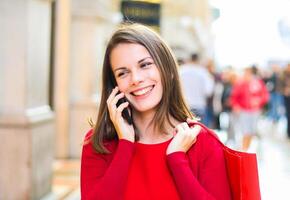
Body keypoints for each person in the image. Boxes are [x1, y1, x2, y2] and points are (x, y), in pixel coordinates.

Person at [80, 23, 231, 200]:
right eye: (123, 73)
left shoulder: (203, 142)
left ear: (168, 70)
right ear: (115, 85)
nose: (135, 79)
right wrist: (125, 145)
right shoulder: (99, 143)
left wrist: (177, 160)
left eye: (144, 65)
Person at [230, 66, 269, 151]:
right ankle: (244, 149)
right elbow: (234, 97)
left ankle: (247, 148)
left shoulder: (258, 83)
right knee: (245, 130)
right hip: (244, 111)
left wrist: (259, 101)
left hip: (255, 111)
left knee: (251, 131)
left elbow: (265, 95)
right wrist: (236, 105)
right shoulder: (240, 84)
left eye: (248, 74)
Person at [179, 53, 214, 126]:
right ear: (198, 60)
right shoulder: (203, 72)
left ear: (189, 59)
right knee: (200, 134)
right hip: (199, 106)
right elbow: (208, 91)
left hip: (184, 106)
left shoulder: (181, 71)